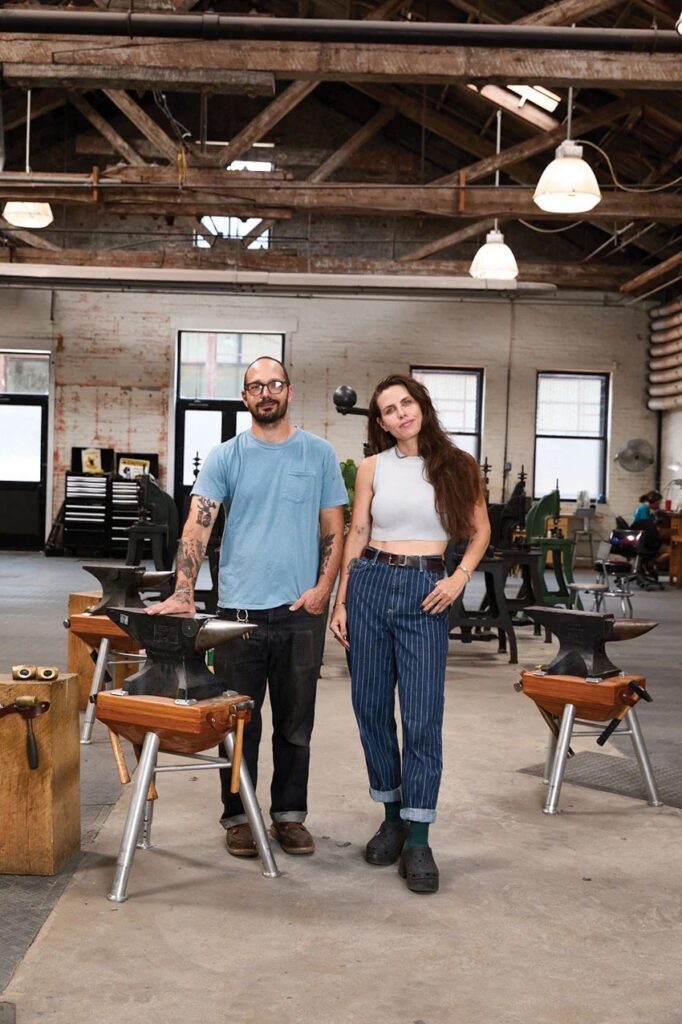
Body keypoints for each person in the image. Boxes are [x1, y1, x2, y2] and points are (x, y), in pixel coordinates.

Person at [147, 357, 347, 858]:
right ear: (244, 397)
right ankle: (239, 816)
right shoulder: (226, 456)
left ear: (289, 391)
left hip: (302, 610)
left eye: (273, 384)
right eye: (255, 386)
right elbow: (198, 525)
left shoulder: (319, 453)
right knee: (239, 721)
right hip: (237, 613)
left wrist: (324, 587)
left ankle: (289, 816)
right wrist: (184, 588)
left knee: (296, 722)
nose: (265, 393)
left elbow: (333, 528)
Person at [329, 374, 490, 894]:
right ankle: (393, 816)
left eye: (407, 403)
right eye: (390, 410)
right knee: (371, 708)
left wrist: (459, 576)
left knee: (422, 717)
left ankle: (419, 837)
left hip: (428, 590)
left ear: (421, 406)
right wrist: (343, 600)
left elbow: (480, 528)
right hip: (372, 582)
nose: (401, 414)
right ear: (380, 422)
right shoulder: (373, 468)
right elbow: (357, 531)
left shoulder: (458, 466)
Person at [631, 489, 670, 570]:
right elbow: (647, 528)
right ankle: (651, 562)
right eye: (658, 503)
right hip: (644, 543)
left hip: (641, 540)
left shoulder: (643, 508)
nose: (659, 505)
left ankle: (649, 563)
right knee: (673, 551)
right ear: (654, 501)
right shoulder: (644, 509)